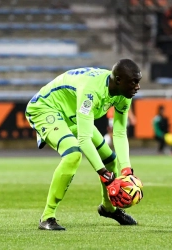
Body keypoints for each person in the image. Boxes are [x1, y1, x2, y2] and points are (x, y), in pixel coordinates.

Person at [25, 59, 142, 230]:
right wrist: (104, 175)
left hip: (71, 112)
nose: (137, 87)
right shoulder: (92, 91)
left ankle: (109, 208)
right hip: (46, 108)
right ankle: (47, 216)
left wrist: (126, 170)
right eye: (134, 82)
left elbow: (119, 132)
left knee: (110, 159)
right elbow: (84, 140)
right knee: (73, 154)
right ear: (118, 80)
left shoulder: (124, 93)